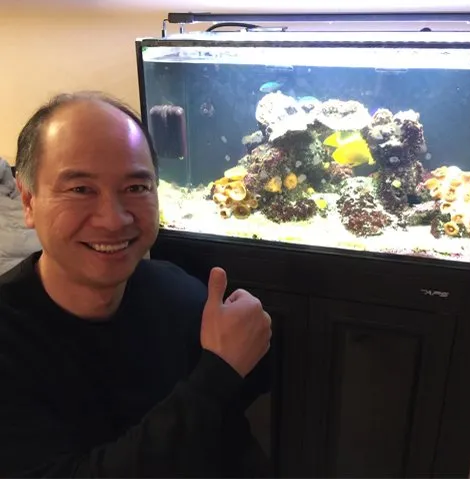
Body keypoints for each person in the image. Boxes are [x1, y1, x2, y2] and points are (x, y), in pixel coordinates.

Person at [0, 91, 272, 477]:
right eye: (80, 189)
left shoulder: (179, 294)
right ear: (28, 200)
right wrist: (217, 375)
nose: (114, 220)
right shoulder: (11, 338)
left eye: (136, 188)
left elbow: (232, 427)